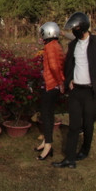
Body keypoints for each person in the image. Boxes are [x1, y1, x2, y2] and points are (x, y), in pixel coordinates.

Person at [52, 12, 96, 169]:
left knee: (88, 124)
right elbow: (68, 65)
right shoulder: (73, 45)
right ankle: (69, 159)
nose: (74, 31)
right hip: (76, 91)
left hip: (91, 92)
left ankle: (85, 150)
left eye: (75, 28)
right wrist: (68, 81)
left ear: (83, 27)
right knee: (74, 125)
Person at [35, 21, 65, 161]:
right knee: (48, 114)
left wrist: (59, 82)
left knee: (47, 116)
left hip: (51, 85)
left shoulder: (50, 47)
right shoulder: (56, 45)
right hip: (53, 85)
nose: (41, 37)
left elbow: (53, 67)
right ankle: (46, 141)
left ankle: (48, 146)